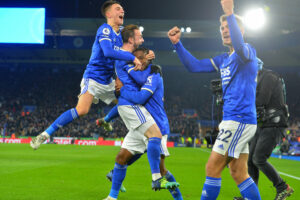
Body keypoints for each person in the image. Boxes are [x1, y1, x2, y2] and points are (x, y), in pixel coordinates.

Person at [168, 0, 261, 199]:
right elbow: (194, 66)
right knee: (238, 172)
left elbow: (239, 45)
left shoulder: (247, 52)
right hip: (235, 121)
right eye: (222, 28)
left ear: (240, 31)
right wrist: (177, 44)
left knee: (212, 167)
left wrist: (229, 12)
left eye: (229, 27)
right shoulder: (223, 60)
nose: (224, 30)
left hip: (239, 120)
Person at [30, 0, 143, 150]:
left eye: (122, 8)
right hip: (94, 78)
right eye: (118, 9)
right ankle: (44, 134)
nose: (122, 11)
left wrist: (142, 54)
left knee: (129, 100)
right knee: (82, 110)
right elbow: (109, 52)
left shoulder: (120, 33)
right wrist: (132, 57)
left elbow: (128, 46)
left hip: (108, 80)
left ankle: (106, 120)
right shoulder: (105, 30)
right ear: (109, 14)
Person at [103, 25, 179, 200]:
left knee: (124, 157)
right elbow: (139, 84)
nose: (143, 39)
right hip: (134, 107)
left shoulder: (148, 70)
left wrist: (146, 60)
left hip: (143, 113)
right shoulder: (128, 58)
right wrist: (144, 60)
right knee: (150, 141)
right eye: (140, 36)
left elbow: (141, 77)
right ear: (131, 40)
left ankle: (113, 194)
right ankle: (155, 180)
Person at [246, 61, 293, 200]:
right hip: (263, 124)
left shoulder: (269, 77)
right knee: (250, 161)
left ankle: (283, 187)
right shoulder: (257, 78)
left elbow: (262, 100)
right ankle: (251, 196)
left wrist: (240, 100)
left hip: (274, 124)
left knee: (259, 159)